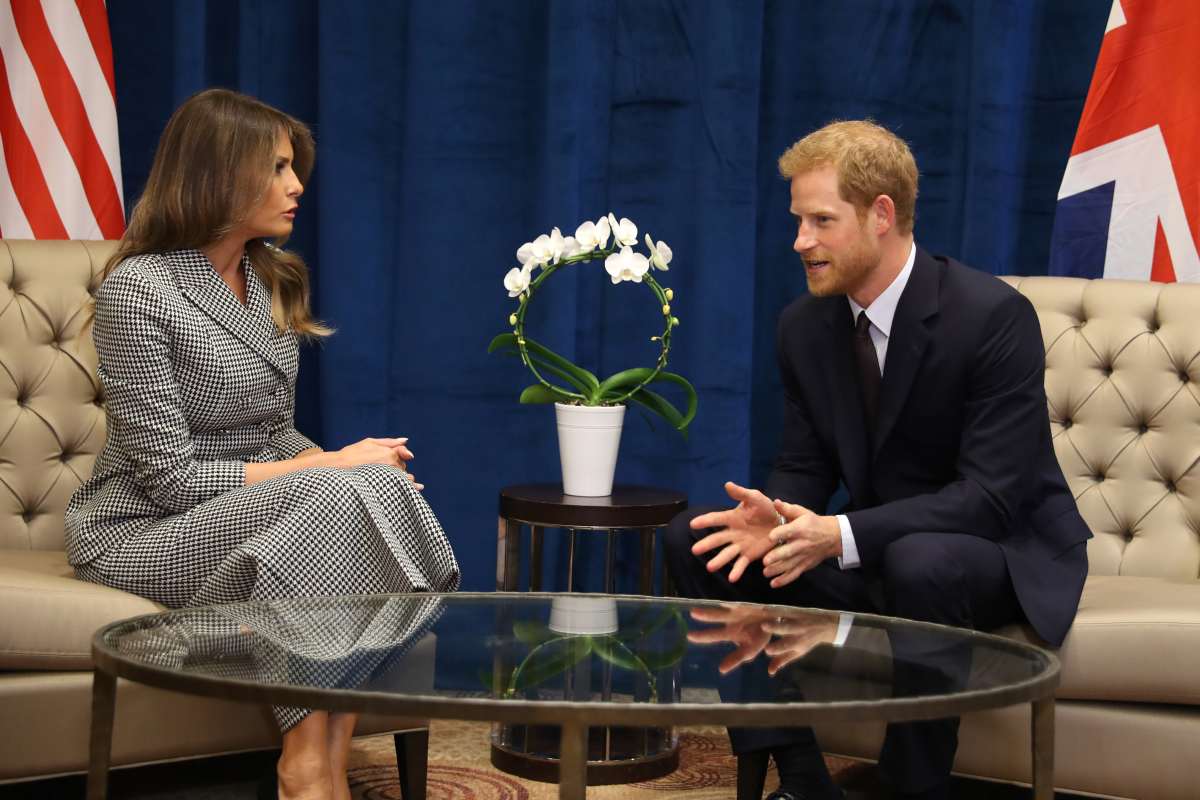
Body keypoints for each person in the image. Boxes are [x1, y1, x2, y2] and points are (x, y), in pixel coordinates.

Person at [665, 120, 1090, 800]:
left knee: (921, 559)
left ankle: (908, 790)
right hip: (878, 551)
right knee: (699, 545)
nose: (800, 241)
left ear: (881, 215)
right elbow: (805, 466)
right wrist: (773, 521)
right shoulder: (805, 326)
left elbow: (989, 498)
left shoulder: (991, 317)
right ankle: (803, 779)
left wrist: (839, 535)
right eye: (798, 221)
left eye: (820, 221)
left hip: (996, 553)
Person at [65, 88, 460, 800]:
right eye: (278, 167)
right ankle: (307, 763)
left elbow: (275, 433)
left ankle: (321, 763)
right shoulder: (138, 291)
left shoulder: (264, 280)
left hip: (235, 515)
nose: (297, 185)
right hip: (142, 530)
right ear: (219, 173)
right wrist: (329, 468)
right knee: (346, 490)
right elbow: (172, 483)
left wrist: (350, 473)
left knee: (366, 488)